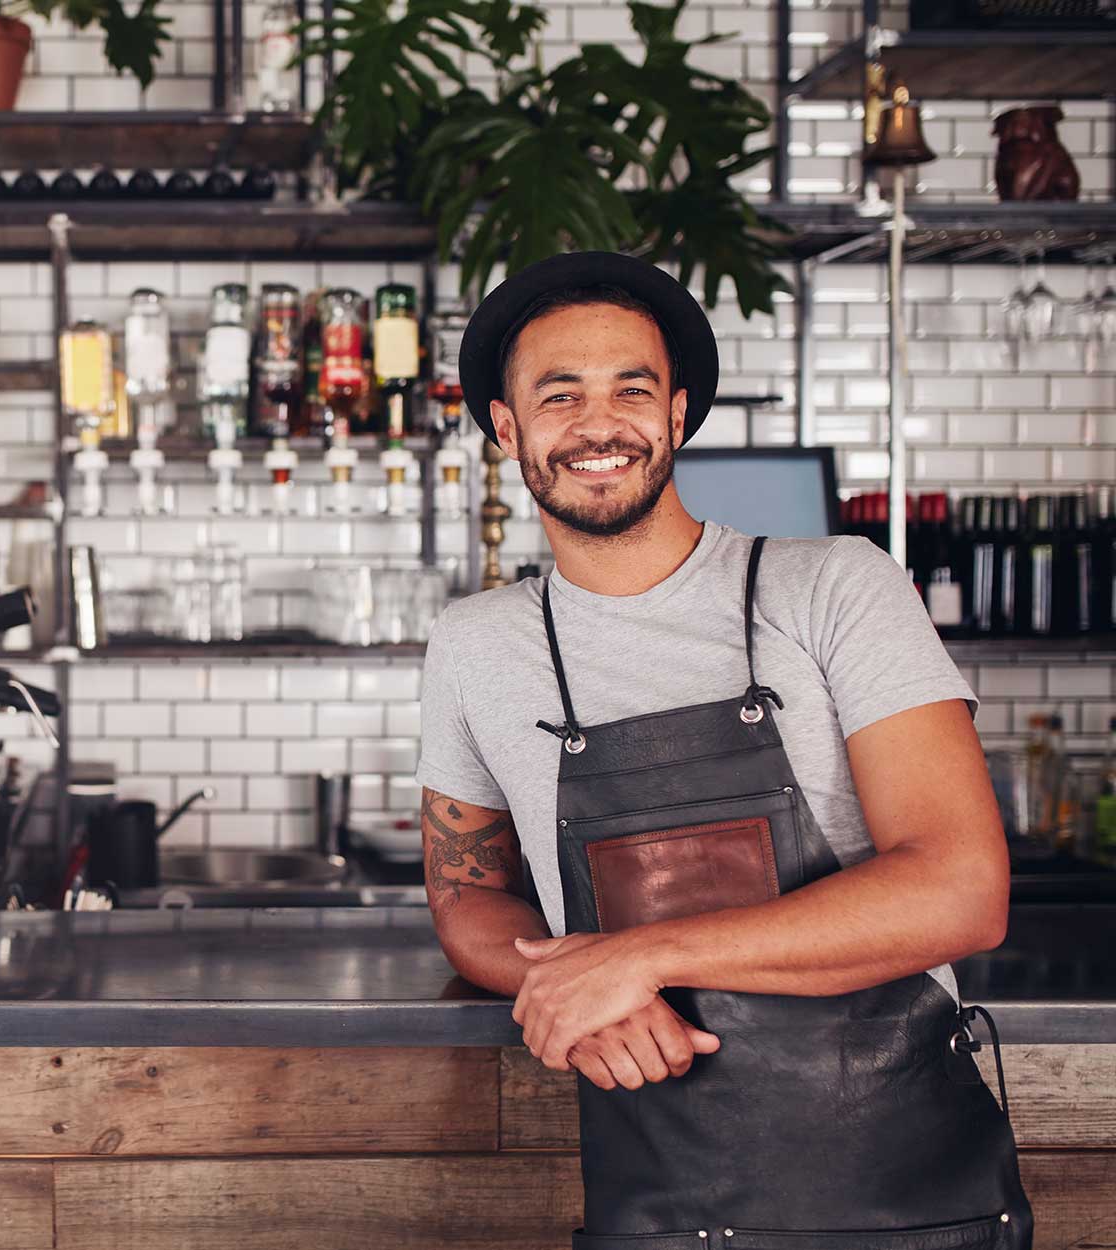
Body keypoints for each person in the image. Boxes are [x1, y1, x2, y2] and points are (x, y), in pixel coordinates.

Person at [415, 252, 1031, 1247]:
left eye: (631, 388)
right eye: (557, 393)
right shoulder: (474, 643)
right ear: (505, 427)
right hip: (658, 1209)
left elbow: (960, 887)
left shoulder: (833, 586)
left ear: (674, 415)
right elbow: (464, 894)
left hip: (910, 1203)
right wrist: (567, 980)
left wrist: (633, 960)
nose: (596, 421)